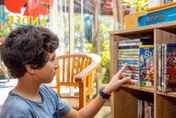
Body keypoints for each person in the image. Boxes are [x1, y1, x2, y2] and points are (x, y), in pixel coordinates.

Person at [0, 26, 129, 118]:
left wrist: (107, 90)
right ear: (31, 67)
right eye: (52, 60)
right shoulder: (16, 111)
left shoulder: (46, 93)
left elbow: (79, 116)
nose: (57, 65)